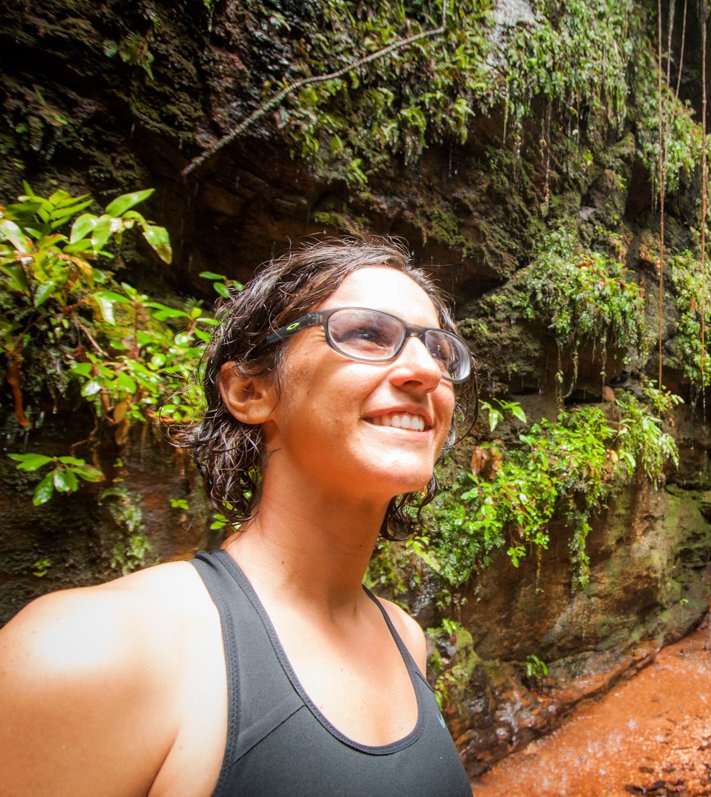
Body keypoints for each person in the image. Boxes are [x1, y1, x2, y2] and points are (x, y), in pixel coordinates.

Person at [0, 238, 476, 796]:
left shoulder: (404, 637)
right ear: (250, 391)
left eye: (439, 351)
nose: (425, 370)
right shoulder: (91, 652)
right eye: (366, 333)